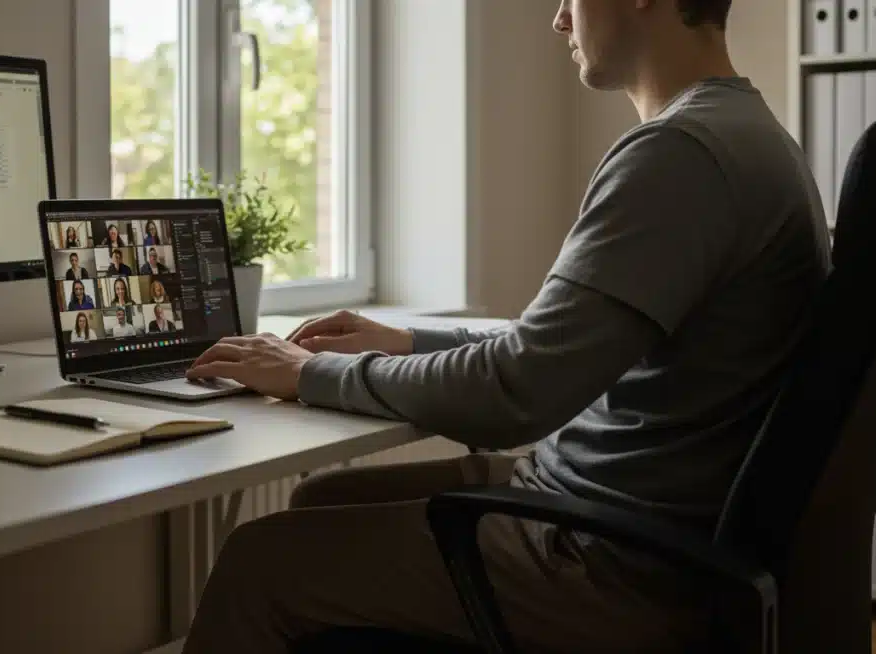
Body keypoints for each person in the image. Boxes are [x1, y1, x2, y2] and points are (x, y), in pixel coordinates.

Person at [179, 1, 833, 653]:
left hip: (609, 562)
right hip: (634, 524)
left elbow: (515, 394)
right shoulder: (746, 134)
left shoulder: (680, 154)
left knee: (256, 564)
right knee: (325, 501)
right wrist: (404, 342)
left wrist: (311, 374)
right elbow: (552, 348)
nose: (558, 21)